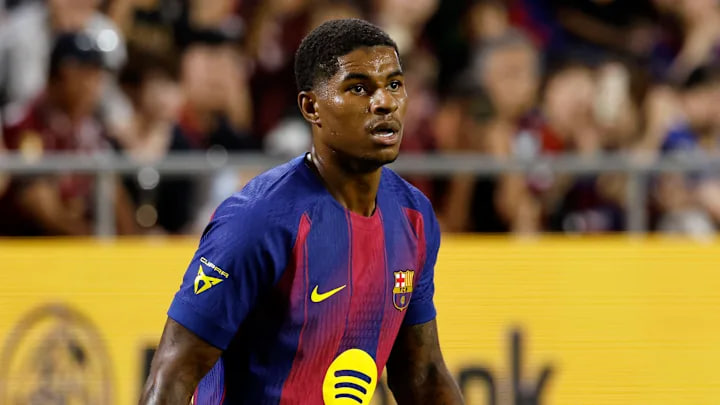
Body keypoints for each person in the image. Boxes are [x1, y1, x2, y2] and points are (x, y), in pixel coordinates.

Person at [139, 18, 463, 404]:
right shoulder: (257, 221)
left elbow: (423, 375)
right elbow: (171, 377)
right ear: (311, 107)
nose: (385, 102)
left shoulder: (414, 216)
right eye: (359, 88)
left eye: (394, 84)